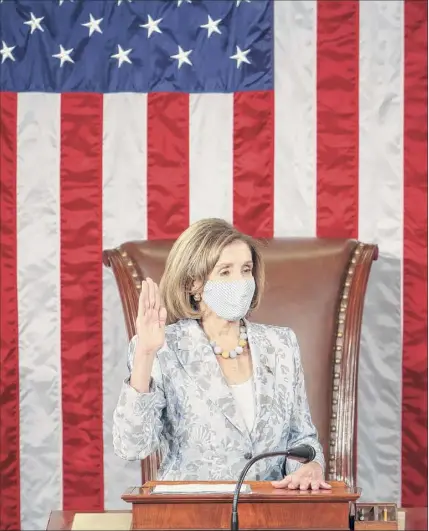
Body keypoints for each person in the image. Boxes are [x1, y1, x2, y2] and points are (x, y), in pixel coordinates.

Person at [113, 218, 331, 491]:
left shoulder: (281, 344)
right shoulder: (162, 347)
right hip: (189, 516)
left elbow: (303, 438)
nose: (240, 281)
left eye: (246, 270)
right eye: (225, 272)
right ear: (194, 284)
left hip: (269, 515)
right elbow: (131, 446)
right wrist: (145, 354)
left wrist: (310, 467)